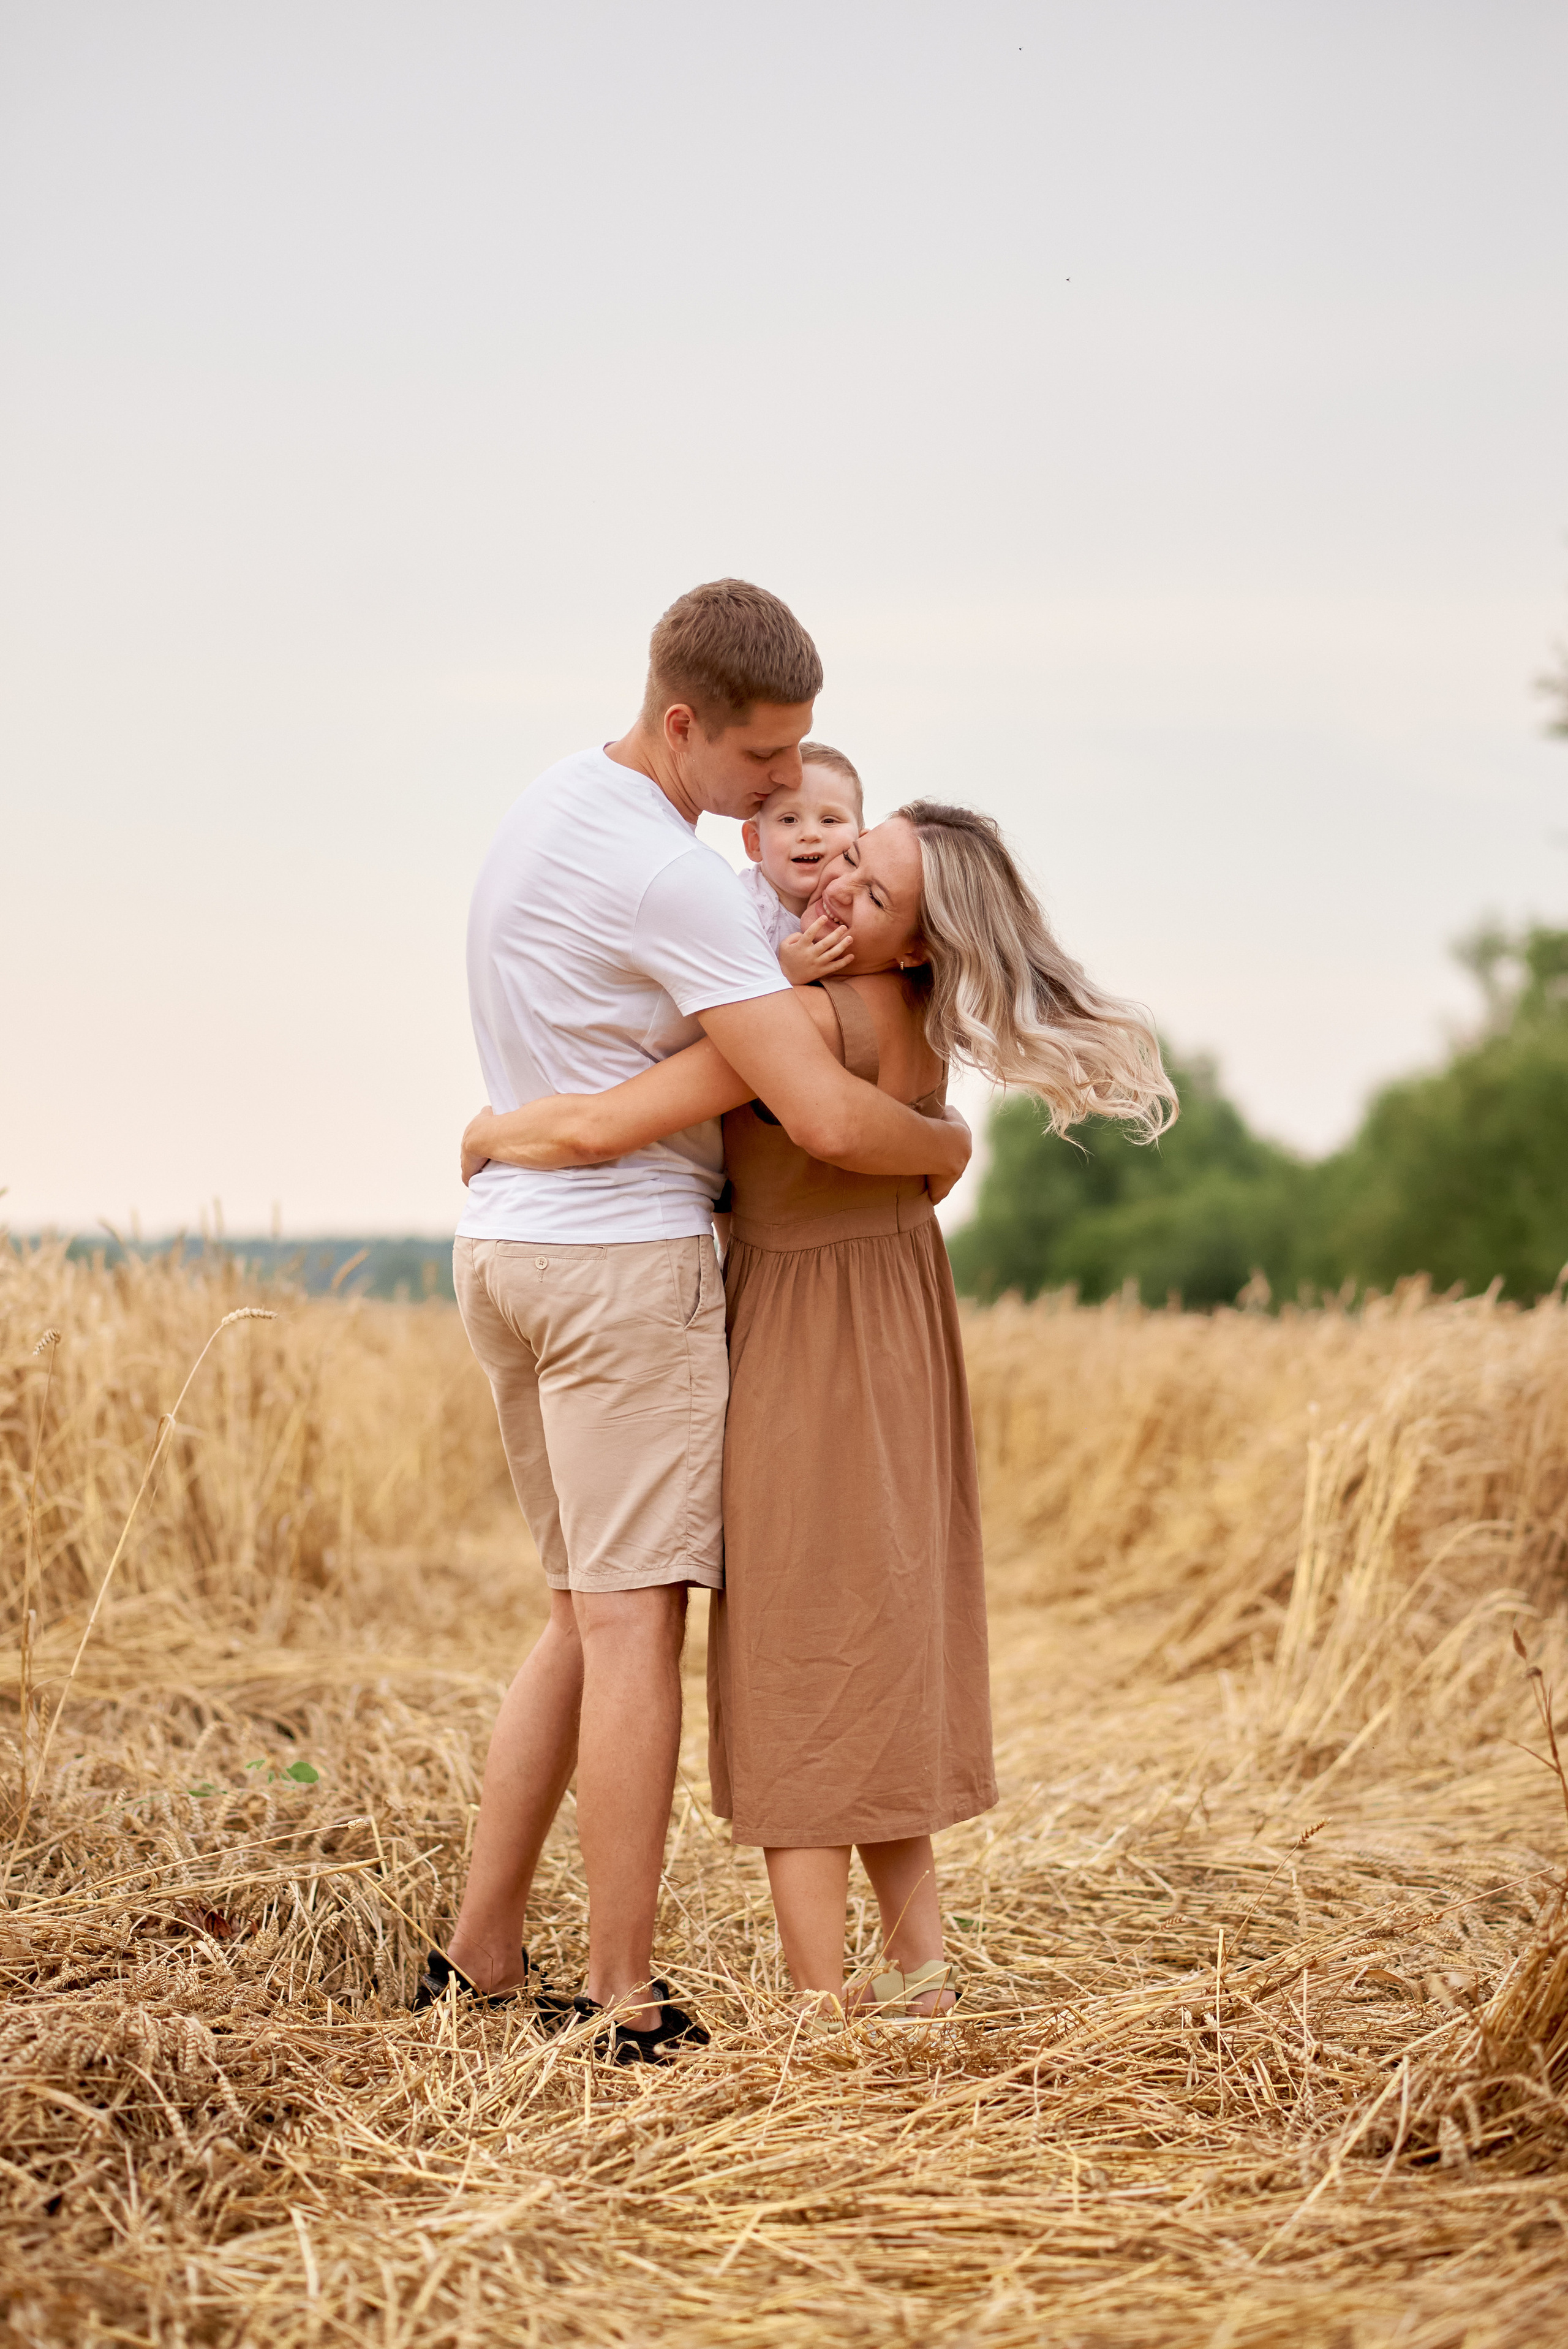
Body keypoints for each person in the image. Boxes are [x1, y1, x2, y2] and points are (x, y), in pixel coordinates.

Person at [461, 799, 1175, 2025]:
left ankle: (816, 2002)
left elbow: (602, 1123)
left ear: (909, 942)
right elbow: (912, 1151)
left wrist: (492, 1130)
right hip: (897, 1320)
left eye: (872, 891)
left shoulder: (794, 1019)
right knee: (884, 1629)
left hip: (800, 1336)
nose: (836, 887)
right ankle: (920, 1979)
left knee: (792, 1648)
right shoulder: (912, 1023)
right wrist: (941, 1147)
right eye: (848, 858)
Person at [428, 581, 970, 2062]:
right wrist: (947, 1152)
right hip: (620, 1271)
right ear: (684, 721)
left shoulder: (549, 803)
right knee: (629, 1632)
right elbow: (811, 1106)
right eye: (760, 762)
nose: (782, 789)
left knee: (573, 1612)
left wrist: (507, 1129)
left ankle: (477, 1950)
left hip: (510, 1261)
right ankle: (620, 1994)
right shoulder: (675, 878)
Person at [738, 741, 862, 965]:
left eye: (829, 820)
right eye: (789, 820)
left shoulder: (859, 906)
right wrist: (787, 975)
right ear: (755, 842)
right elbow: (728, 994)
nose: (810, 834)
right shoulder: (746, 909)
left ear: (861, 843)